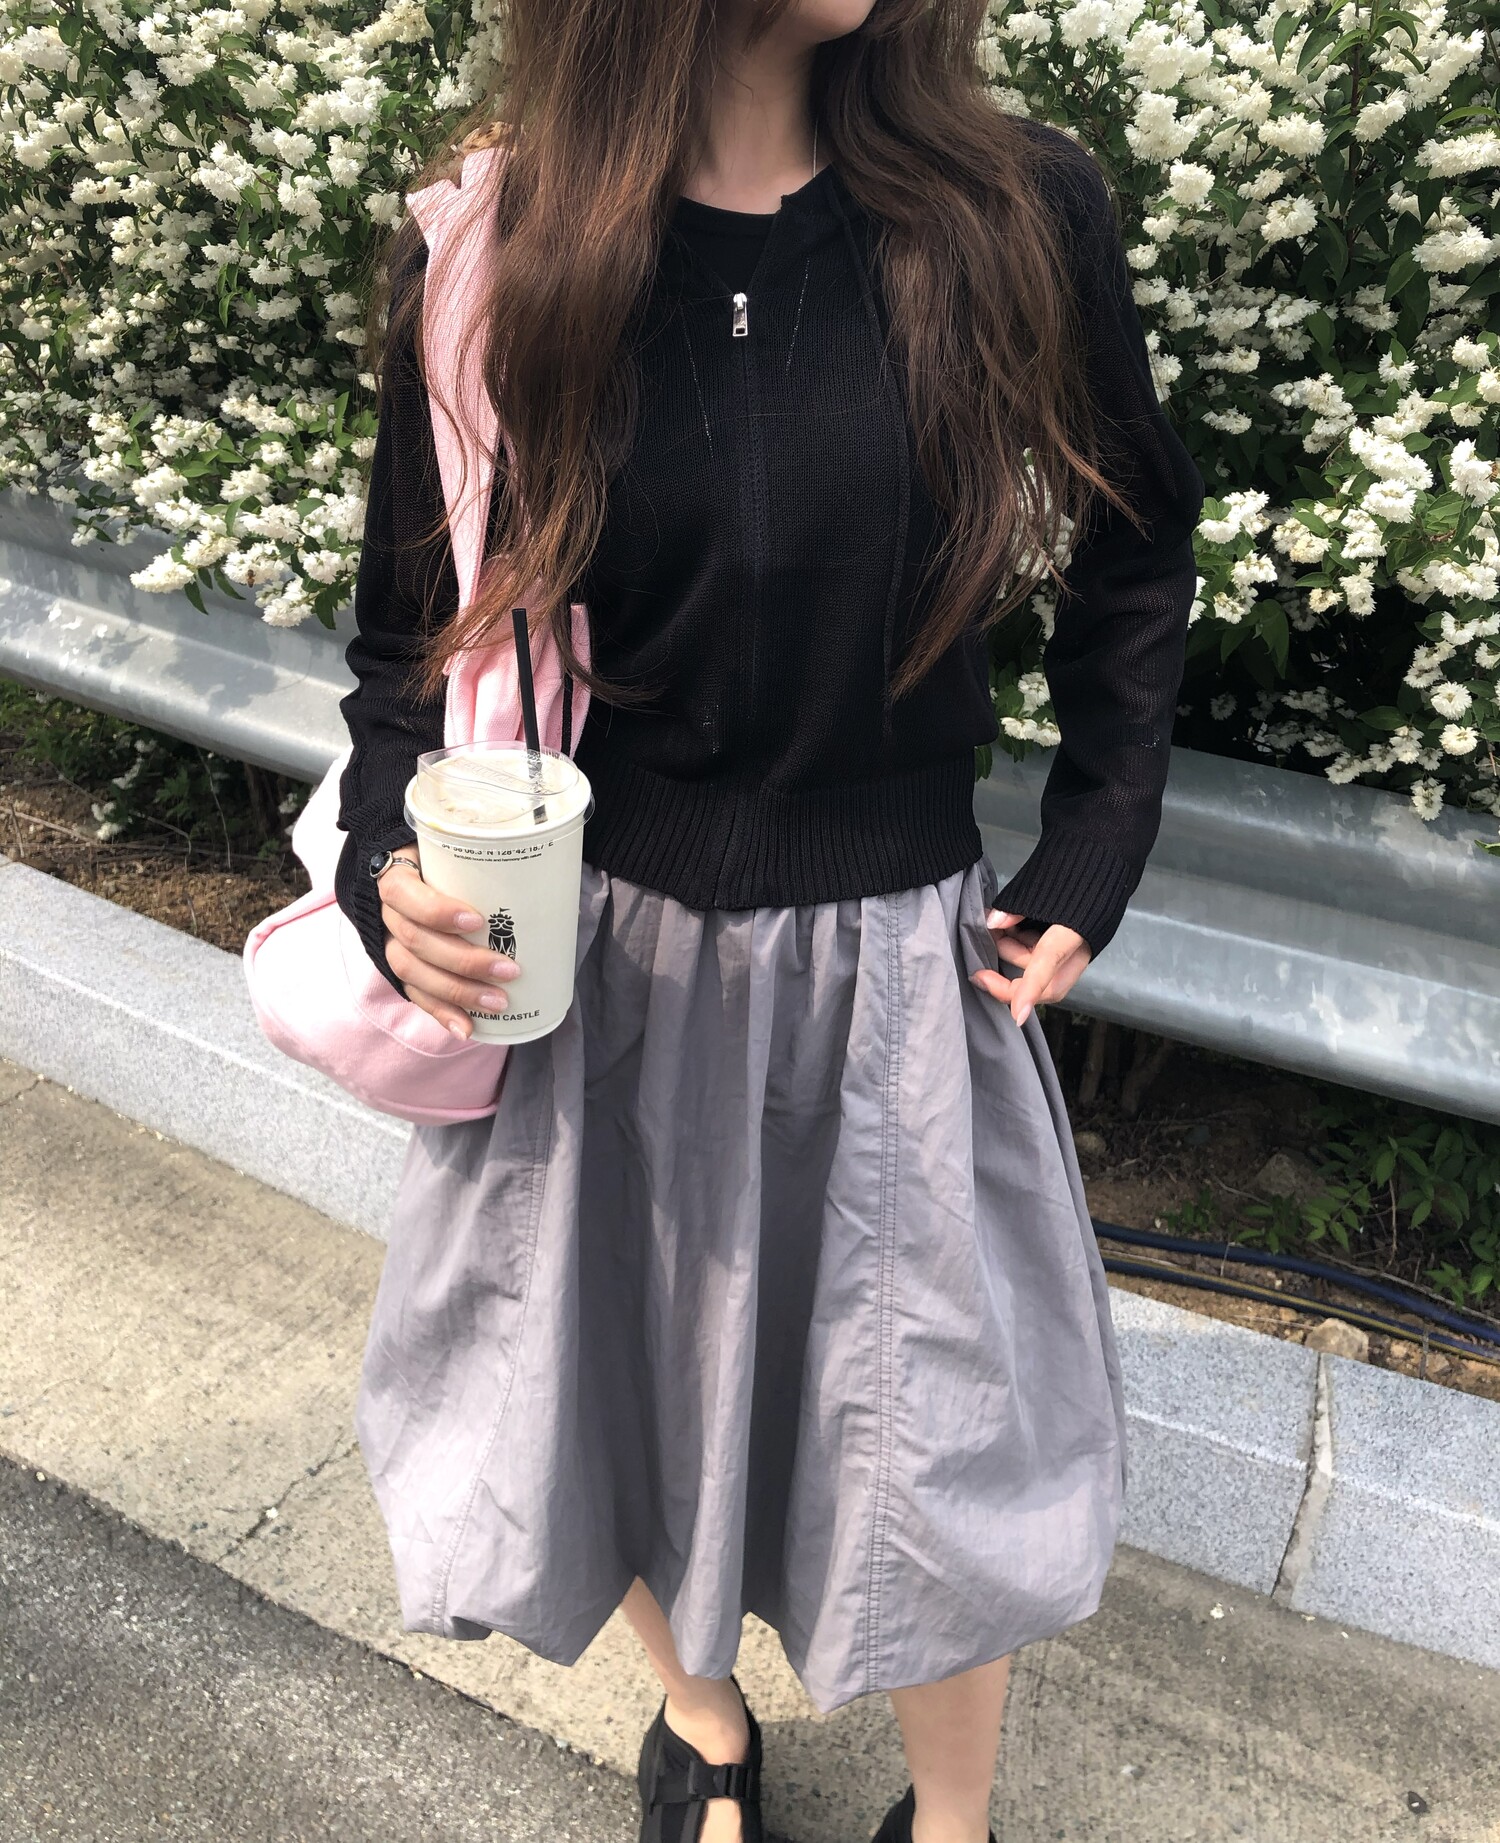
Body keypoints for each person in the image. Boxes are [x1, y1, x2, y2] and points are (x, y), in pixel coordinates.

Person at [334, 2, 1205, 1839]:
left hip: (900, 959)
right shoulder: (500, 248)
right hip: (597, 960)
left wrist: (1095, 844)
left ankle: (949, 1822)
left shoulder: (1011, 209)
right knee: (616, 1400)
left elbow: (1136, 544)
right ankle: (704, 1725)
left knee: (941, 1452)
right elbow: (407, 644)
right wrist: (388, 872)